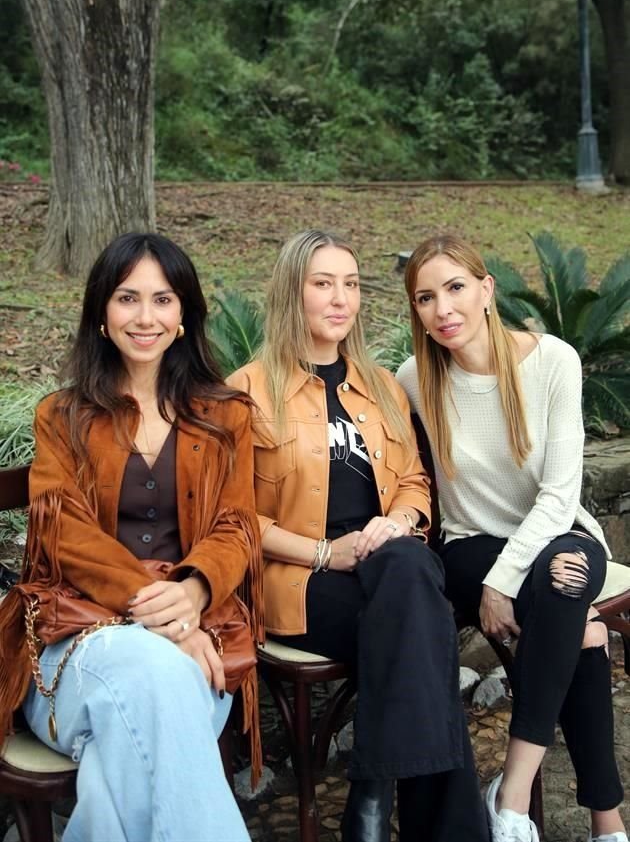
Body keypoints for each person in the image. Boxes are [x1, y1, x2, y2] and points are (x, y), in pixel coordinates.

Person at [0, 233, 262, 842]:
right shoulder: (62, 416)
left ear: (184, 316)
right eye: (127, 298)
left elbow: (236, 523)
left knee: (120, 755)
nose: (145, 317)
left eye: (163, 300)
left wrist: (195, 591)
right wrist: (164, 617)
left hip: (199, 638)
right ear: (100, 314)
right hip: (82, 640)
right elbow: (62, 530)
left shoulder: (227, 415)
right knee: (154, 672)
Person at [228, 229, 489, 842]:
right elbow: (234, 516)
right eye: (323, 284)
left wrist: (396, 523)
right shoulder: (246, 392)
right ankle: (436, 822)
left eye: (350, 284)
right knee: (420, 620)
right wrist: (325, 552)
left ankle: (370, 803)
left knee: (405, 574)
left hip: (386, 566)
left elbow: (416, 482)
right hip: (300, 580)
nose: (341, 299)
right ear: (292, 293)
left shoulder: (381, 385)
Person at [397, 233, 626, 842]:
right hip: (472, 543)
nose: (443, 309)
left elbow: (559, 496)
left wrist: (503, 584)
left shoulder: (553, 360)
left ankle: (514, 791)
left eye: (456, 288)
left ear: (486, 290)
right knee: (580, 628)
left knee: (566, 579)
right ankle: (608, 824)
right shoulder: (414, 381)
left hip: (559, 533)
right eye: (425, 298)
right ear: (414, 310)